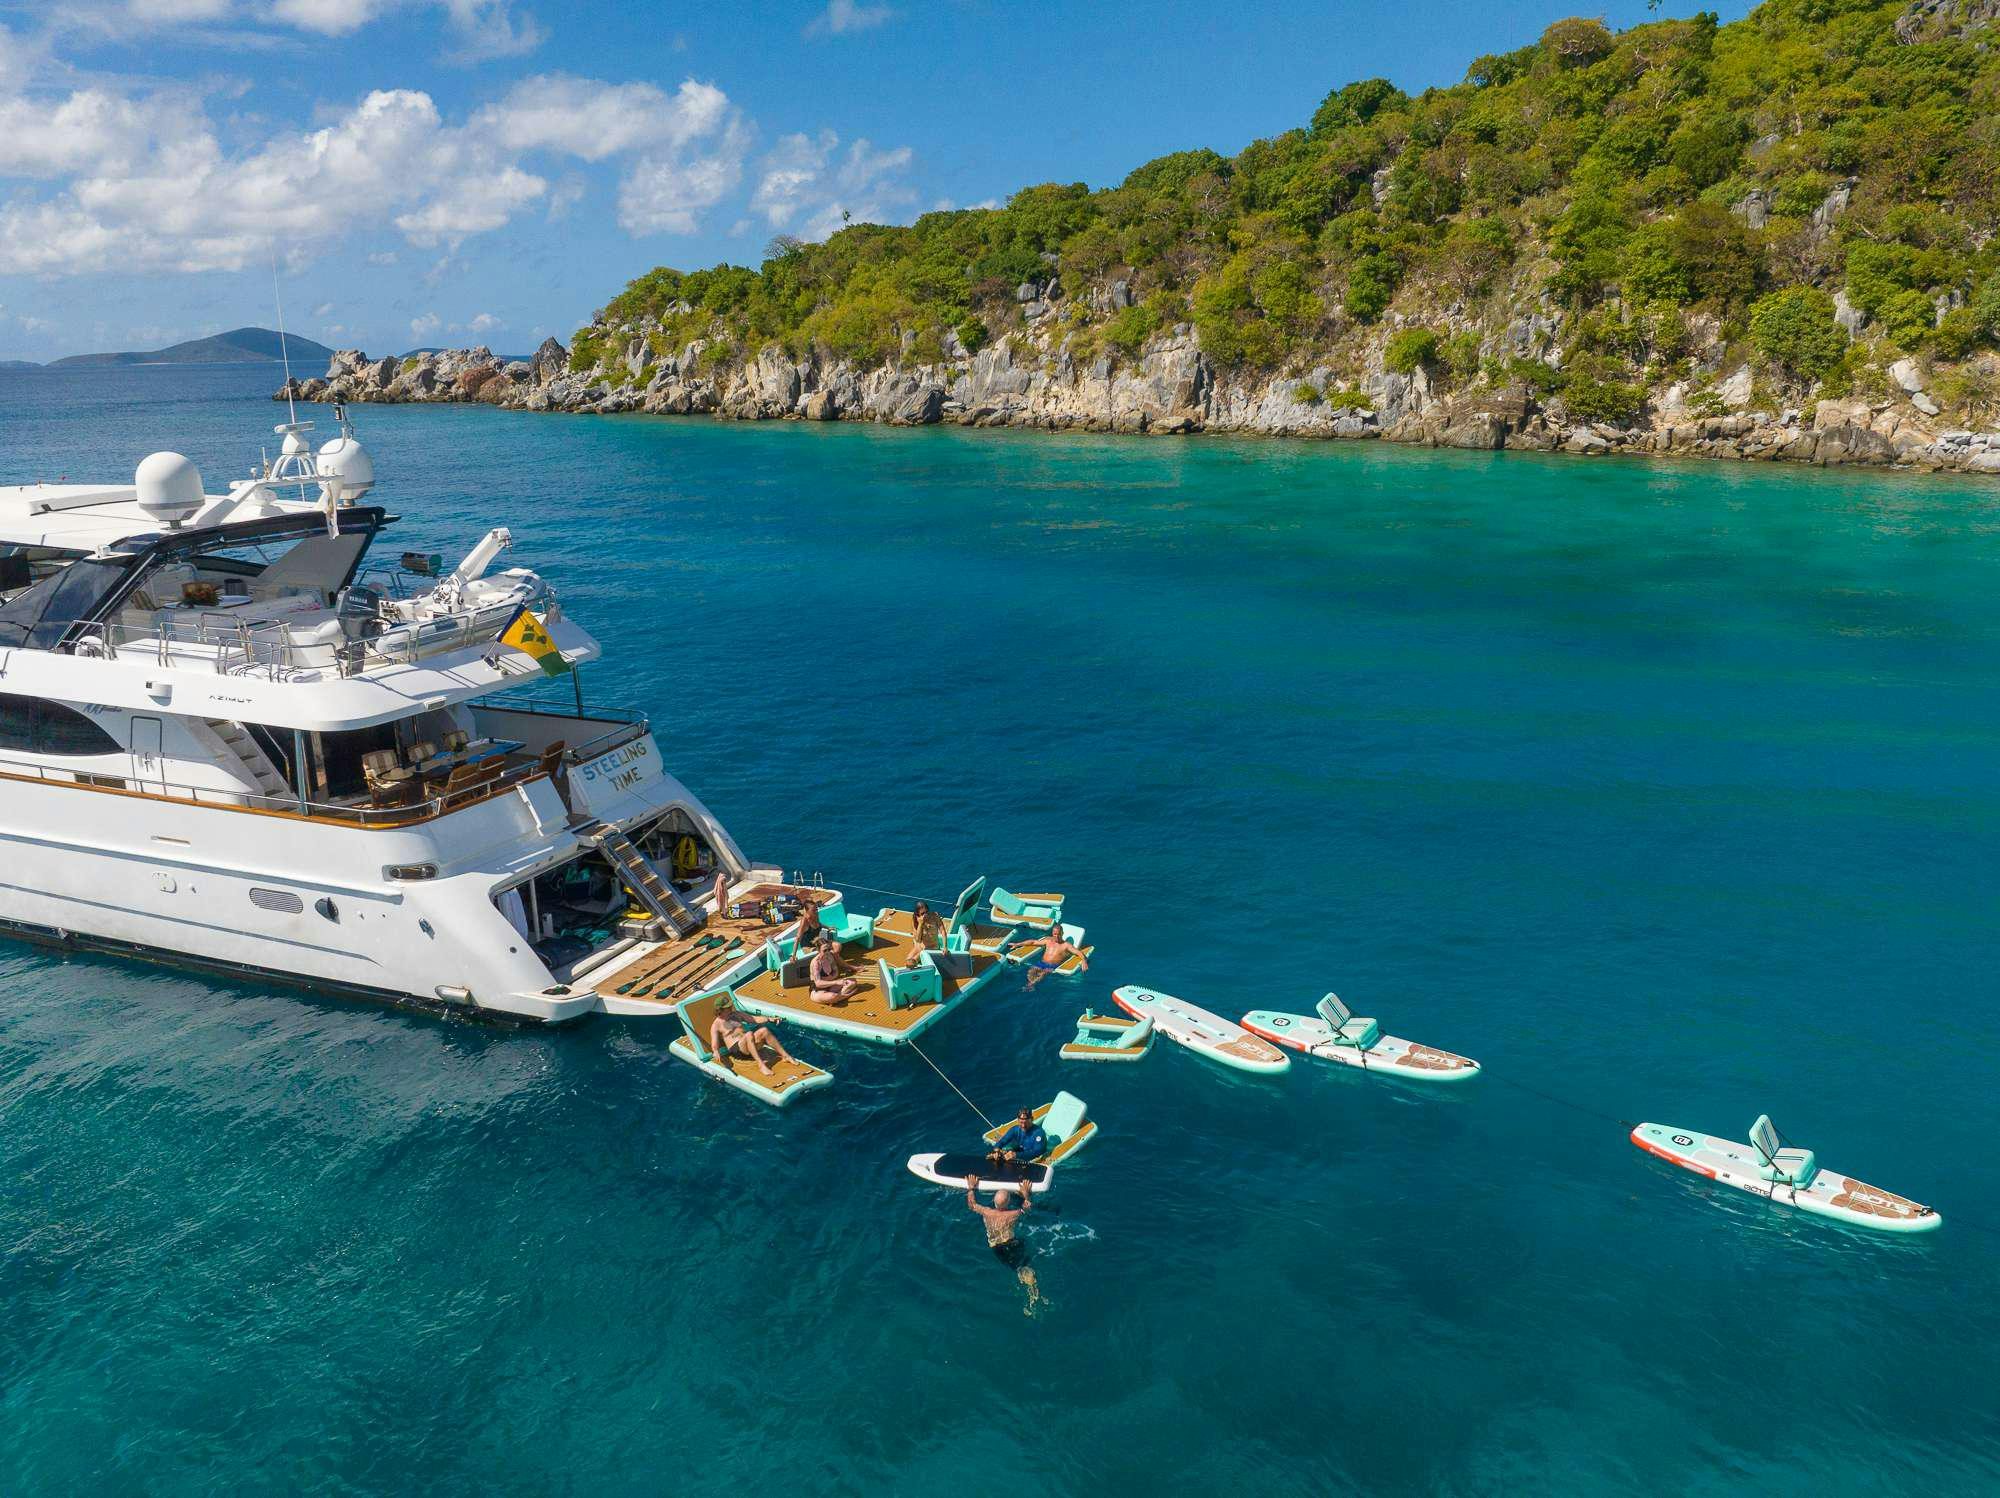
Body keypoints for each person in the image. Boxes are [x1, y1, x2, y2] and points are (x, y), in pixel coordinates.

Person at [966, 1174, 1040, 1313]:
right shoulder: (1013, 1214)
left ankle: (1031, 1292)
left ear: (994, 1202)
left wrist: (971, 1188)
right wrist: (1026, 1195)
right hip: (1011, 1243)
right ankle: (1033, 1293)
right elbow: (1027, 1207)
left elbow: (972, 1205)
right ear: (1008, 1202)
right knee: (1024, 1266)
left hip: (996, 1248)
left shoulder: (986, 1212)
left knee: (1018, 1268)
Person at [707, 1000, 798, 1078]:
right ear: (720, 1010)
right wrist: (715, 1051)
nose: (731, 1007)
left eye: (730, 1005)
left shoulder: (736, 1014)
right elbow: (714, 1043)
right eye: (728, 1007)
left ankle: (786, 1056)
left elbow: (754, 1019)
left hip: (748, 1044)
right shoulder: (716, 1025)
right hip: (737, 1050)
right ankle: (761, 1065)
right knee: (749, 1034)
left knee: (764, 1030)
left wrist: (769, 1019)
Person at [1021, 927, 1088, 990]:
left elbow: (1078, 952)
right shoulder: (1048, 941)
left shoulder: (1066, 945)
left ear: (1062, 933)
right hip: (1042, 963)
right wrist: (1017, 944)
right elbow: (1033, 942)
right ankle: (1029, 983)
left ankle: (1030, 985)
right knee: (1031, 971)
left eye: (1059, 934)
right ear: (1052, 933)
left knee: (1043, 973)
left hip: (1052, 966)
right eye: (1055, 934)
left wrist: (1084, 961)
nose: (1057, 936)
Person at [808, 935, 861, 1004]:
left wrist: (831, 979)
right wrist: (835, 982)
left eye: (829, 949)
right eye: (824, 950)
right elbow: (818, 984)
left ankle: (838, 997)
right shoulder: (816, 963)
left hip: (830, 985)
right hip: (818, 990)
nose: (827, 952)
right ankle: (840, 996)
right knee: (832, 996)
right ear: (818, 950)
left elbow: (836, 971)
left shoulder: (830, 956)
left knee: (853, 982)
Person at [900, 899, 943, 970]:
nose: (925, 915)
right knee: (908, 960)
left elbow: (940, 930)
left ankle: (917, 976)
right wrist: (920, 924)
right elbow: (917, 939)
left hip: (931, 947)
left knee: (912, 962)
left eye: (926, 912)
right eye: (922, 913)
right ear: (917, 914)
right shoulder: (915, 920)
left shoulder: (932, 918)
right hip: (921, 945)